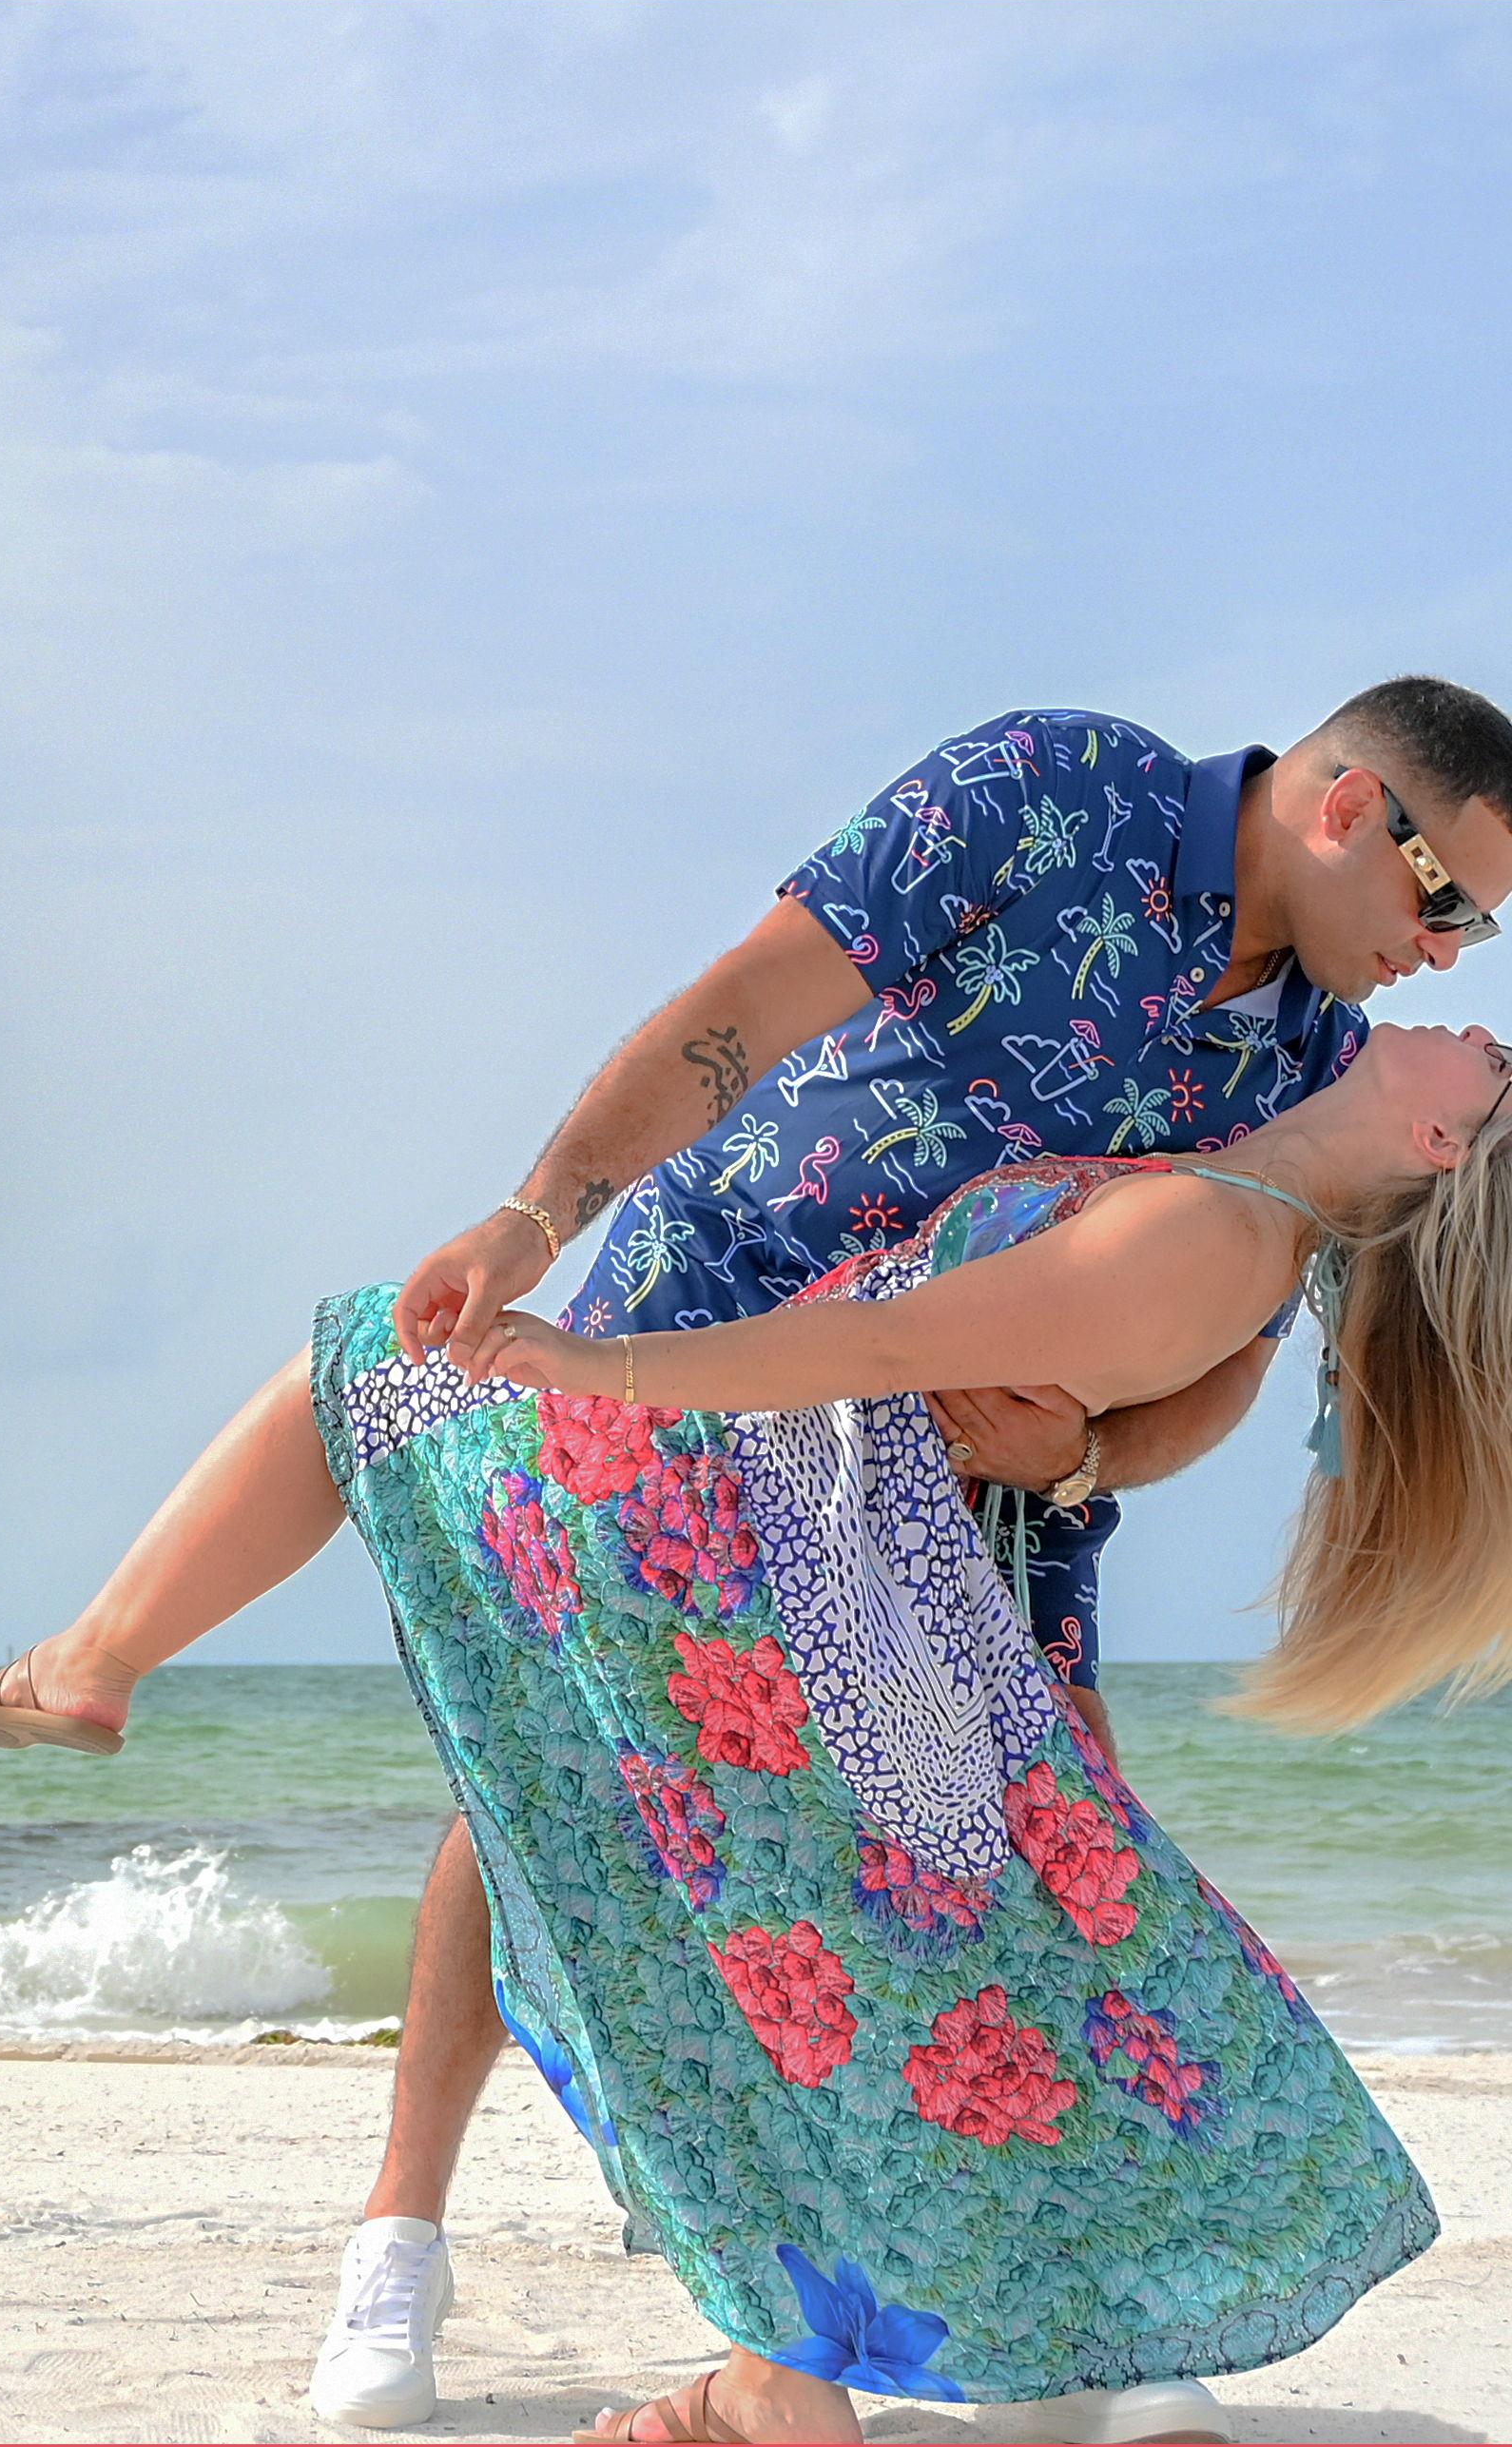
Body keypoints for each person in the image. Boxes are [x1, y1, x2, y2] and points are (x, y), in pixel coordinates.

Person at [0, 1004, 1512, 2441]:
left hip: (740, 1519)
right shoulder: (1241, 1219)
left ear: (1439, 1135)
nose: (1467, 1012)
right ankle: (835, 2359)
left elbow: (880, 1345)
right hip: (839, 1562)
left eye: (1494, 1062)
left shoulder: (1215, 1234)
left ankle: (99, 1655)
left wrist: (598, 1359)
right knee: (888, 1970)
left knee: (365, 1360)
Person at [323, 678, 1512, 2435]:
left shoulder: (1329, 1067)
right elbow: (745, 1005)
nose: (1453, 951)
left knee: (1054, 1859)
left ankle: (1072, 2310)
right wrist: (538, 1214)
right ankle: (401, 2232)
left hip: (982, 1483)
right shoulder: (1056, 786)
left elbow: (1232, 1364)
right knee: (550, 1769)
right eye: (1447, 899)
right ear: (1347, 806)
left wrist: (1086, 1452)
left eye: (1478, 925)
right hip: (725, 1328)